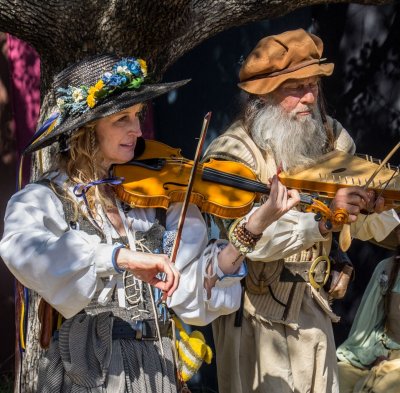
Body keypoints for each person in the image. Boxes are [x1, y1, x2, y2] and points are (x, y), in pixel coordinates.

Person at [0, 54, 300, 393]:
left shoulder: (154, 199)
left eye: (138, 116)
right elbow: (22, 250)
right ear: (86, 130)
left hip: (156, 365)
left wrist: (255, 226)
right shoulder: (46, 197)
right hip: (90, 367)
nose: (137, 130)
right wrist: (120, 257)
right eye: (121, 119)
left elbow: (194, 286)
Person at [202, 29, 400, 393]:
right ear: (262, 96)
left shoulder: (331, 137)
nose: (309, 98)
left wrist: (373, 208)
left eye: (313, 85)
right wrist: (322, 220)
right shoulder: (232, 153)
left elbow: (363, 225)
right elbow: (247, 241)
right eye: (295, 89)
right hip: (255, 320)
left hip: (314, 310)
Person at [337, 228, 400, 393]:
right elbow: (368, 320)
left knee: (384, 387)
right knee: (339, 377)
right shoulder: (388, 267)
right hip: (381, 348)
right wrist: (373, 355)